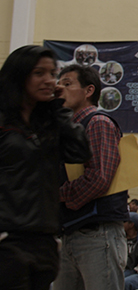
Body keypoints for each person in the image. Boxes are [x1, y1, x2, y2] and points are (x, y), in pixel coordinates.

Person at [0, 45, 91, 290]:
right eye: (39, 73)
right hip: (8, 240)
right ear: (20, 75)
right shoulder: (3, 120)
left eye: (52, 73)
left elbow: (80, 153)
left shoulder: (48, 122)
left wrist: (59, 109)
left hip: (44, 241)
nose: (49, 80)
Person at [53, 64, 128, 290]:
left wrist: (56, 195)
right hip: (70, 231)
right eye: (59, 84)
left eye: (67, 84)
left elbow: (99, 177)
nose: (59, 89)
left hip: (98, 233)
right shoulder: (66, 129)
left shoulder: (97, 122)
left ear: (88, 91)